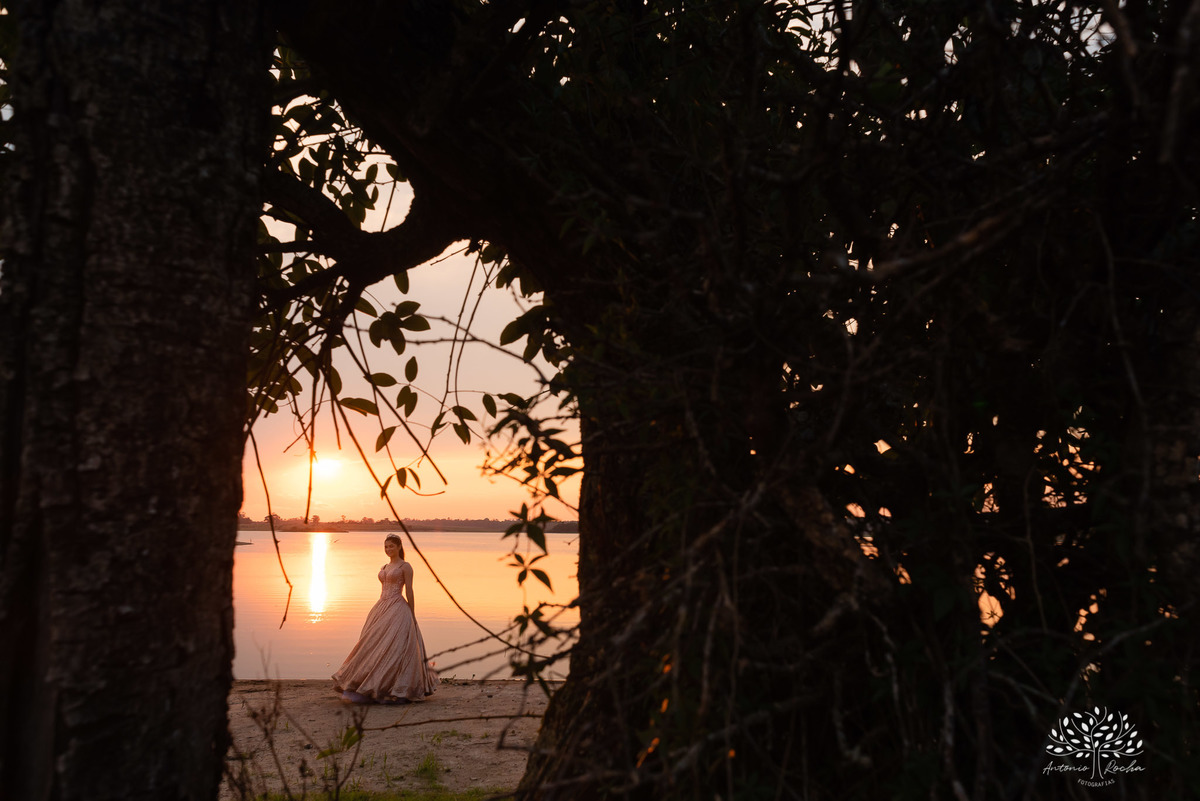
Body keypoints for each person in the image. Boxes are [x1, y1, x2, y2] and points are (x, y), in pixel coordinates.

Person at [332, 534, 438, 703]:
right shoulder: (385, 566)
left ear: (399, 547)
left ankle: (396, 686)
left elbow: (409, 590)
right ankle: (366, 681)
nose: (388, 549)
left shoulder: (405, 566)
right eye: (386, 546)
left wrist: (412, 613)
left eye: (391, 546)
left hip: (398, 607)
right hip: (381, 606)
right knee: (371, 643)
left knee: (396, 646)